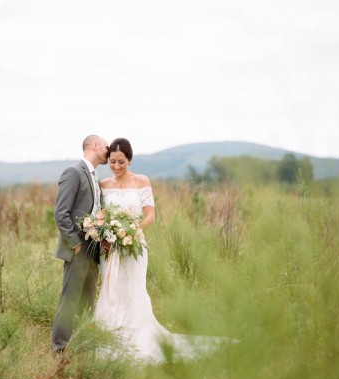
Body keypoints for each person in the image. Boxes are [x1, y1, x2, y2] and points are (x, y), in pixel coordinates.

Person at [95, 138, 229, 363]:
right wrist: (107, 234)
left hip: (134, 245)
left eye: (121, 162)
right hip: (109, 249)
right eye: (112, 162)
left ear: (130, 160)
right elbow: (101, 215)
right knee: (112, 289)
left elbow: (150, 216)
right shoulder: (104, 185)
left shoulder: (141, 181)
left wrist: (129, 232)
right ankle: (109, 334)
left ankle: (134, 336)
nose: (116, 167)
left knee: (133, 289)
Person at [52, 134, 110, 353]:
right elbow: (61, 213)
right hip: (78, 249)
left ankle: (83, 344)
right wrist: (75, 244)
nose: (109, 150)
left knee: (88, 300)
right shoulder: (74, 172)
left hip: (92, 250)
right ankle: (60, 348)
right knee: (70, 299)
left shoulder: (95, 176)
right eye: (106, 146)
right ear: (94, 146)